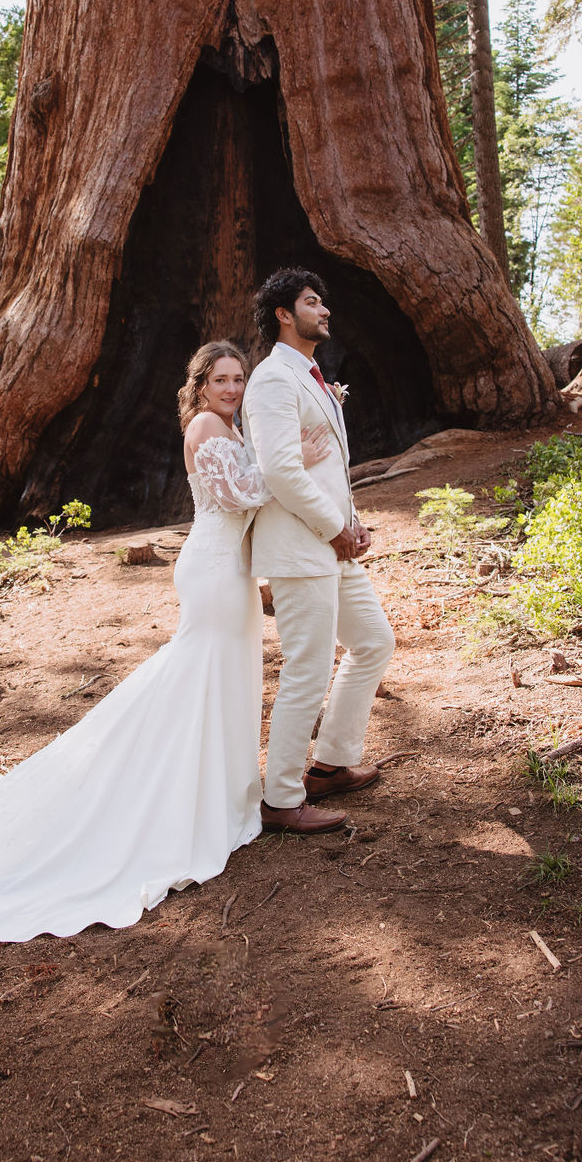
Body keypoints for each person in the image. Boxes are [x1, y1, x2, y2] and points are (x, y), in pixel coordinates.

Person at [0, 341, 327, 943]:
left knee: (221, 677)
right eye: (221, 379)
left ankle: (218, 794)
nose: (233, 388)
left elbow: (248, 490)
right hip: (214, 571)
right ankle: (175, 795)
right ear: (199, 385)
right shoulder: (207, 425)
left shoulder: (227, 424)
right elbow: (238, 497)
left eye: (239, 379)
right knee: (198, 673)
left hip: (232, 574)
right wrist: (292, 459)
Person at [242, 268, 396, 835]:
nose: (324, 309)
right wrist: (335, 529)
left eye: (323, 301)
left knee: (374, 641)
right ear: (285, 314)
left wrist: (352, 525)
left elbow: (327, 469)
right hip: (300, 547)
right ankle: (281, 798)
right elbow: (281, 469)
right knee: (307, 669)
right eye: (313, 301)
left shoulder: (313, 376)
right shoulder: (273, 380)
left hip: (333, 543)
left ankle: (330, 763)